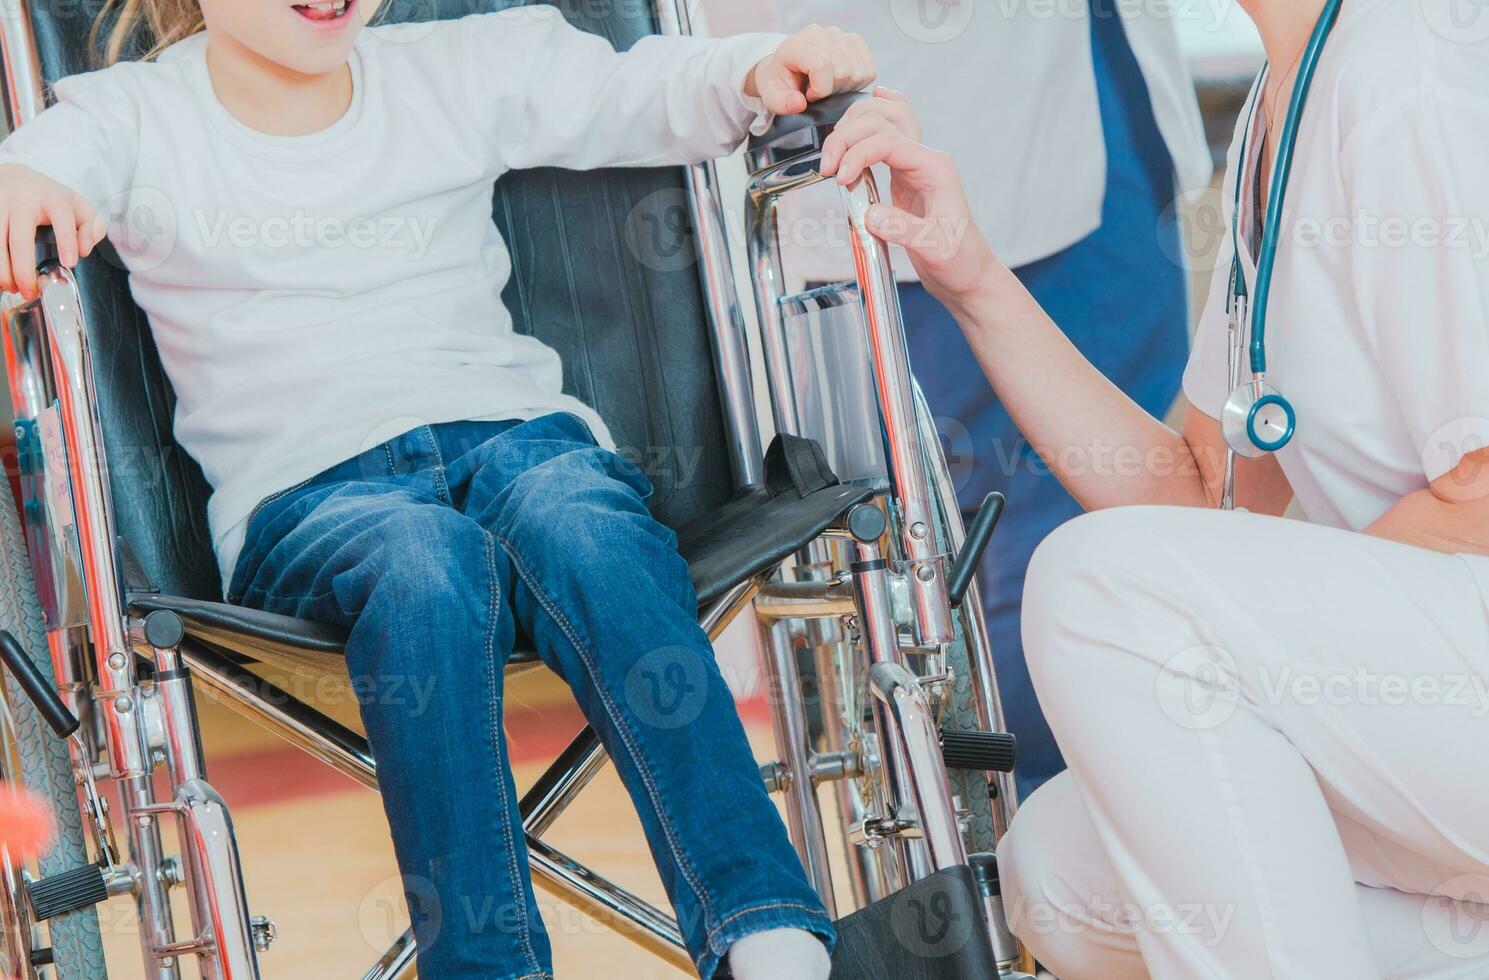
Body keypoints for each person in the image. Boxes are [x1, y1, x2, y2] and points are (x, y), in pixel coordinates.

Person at [0, 3, 879, 977]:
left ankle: (763, 925)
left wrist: (764, 64)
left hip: (512, 435)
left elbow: (643, 88)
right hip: (310, 493)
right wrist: (25, 180)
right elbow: (42, 162)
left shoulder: (456, 66)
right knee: (427, 561)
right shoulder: (130, 115)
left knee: (584, 521)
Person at [818, 0, 1489, 975]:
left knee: (1097, 584)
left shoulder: (1406, 69)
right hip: (1432, 702)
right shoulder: (1284, 96)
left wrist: (1264, 657)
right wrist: (970, 276)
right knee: (1059, 872)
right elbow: (1196, 495)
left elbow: (1478, 499)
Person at [707, 0, 1212, 797]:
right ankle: (1006, 849)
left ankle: (1115, 827)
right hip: (930, 140)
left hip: (1101, 112)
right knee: (971, 550)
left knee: (1128, 521)